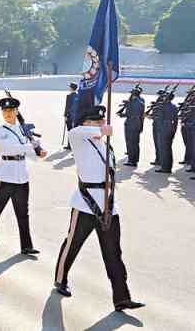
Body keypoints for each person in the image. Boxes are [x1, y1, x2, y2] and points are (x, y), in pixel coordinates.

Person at [54, 105, 144, 312]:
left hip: (109, 205)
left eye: (102, 122)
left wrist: (101, 132)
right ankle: (61, 279)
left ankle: (121, 297)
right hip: (85, 204)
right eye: (97, 122)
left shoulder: (107, 146)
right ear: (87, 123)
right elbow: (74, 131)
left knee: (113, 253)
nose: (102, 125)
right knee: (73, 244)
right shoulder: (80, 141)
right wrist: (99, 131)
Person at [0, 97, 46, 255]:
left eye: (11, 111)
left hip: (22, 177)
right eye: (5, 111)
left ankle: (26, 245)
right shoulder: (2, 131)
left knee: (23, 213)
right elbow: (10, 149)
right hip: (6, 175)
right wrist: (30, 145)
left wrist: (38, 154)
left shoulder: (22, 130)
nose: (8, 114)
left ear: (17, 112)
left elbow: (27, 152)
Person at [120, 86, 145, 167]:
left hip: (131, 124)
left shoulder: (132, 103)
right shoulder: (141, 103)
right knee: (135, 143)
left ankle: (132, 161)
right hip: (137, 124)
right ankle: (135, 159)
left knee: (131, 143)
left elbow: (130, 114)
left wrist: (122, 115)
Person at [63, 83, 78, 150]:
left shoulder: (69, 96)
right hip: (77, 116)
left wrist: (65, 115)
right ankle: (74, 145)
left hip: (70, 116)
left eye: (70, 87)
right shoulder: (79, 96)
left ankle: (70, 145)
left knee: (70, 131)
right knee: (75, 130)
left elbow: (67, 107)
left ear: (71, 88)